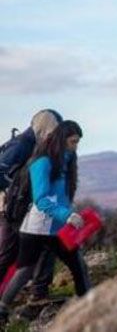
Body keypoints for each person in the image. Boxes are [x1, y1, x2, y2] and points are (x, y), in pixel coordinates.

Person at [0, 120, 91, 325]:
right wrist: (66, 215)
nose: (75, 146)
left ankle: (88, 306)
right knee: (25, 271)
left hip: (56, 228)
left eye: (77, 142)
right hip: (36, 228)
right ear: (61, 139)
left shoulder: (67, 160)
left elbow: (61, 196)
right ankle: (2, 310)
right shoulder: (42, 162)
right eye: (73, 142)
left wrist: (70, 216)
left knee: (78, 265)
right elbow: (41, 200)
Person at [0, 110, 62, 302]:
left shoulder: (36, 144)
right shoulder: (21, 145)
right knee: (8, 256)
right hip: (11, 211)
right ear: (44, 127)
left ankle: (39, 294)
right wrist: (9, 193)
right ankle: (37, 295)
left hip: (23, 209)